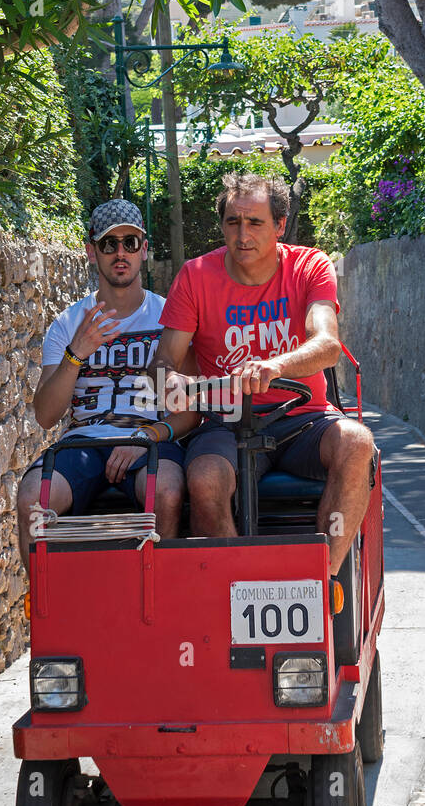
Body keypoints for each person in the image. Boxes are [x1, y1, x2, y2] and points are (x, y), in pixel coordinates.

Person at [147, 171, 376, 573]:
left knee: (357, 442)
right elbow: (164, 358)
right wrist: (170, 382)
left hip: (303, 421)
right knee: (204, 479)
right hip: (224, 423)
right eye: (233, 223)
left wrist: (275, 366)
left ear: (280, 225)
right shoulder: (196, 276)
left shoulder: (309, 266)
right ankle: (240, 593)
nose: (242, 236)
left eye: (255, 222)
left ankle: (324, 583)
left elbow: (328, 345)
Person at [16, 199, 195, 574]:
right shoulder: (68, 323)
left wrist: (148, 435)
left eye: (130, 243)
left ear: (144, 250)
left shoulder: (171, 318)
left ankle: (163, 605)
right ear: (90, 250)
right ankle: (48, 618)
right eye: (108, 244)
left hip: (149, 440)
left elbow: (191, 411)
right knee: (33, 497)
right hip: (83, 442)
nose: (120, 253)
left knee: (165, 490)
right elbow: (46, 415)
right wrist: (76, 353)